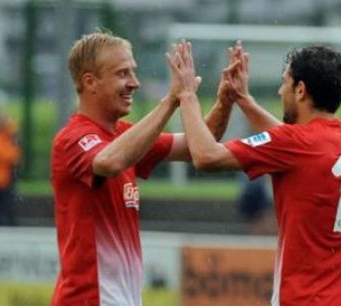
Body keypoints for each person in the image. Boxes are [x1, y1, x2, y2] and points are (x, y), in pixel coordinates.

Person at [171, 41, 341, 305]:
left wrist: (186, 95)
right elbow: (295, 146)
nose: (280, 92)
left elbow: (205, 156)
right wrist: (243, 100)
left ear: (300, 90)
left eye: (284, 83)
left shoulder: (294, 145)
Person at [51, 31, 237, 306]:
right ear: (90, 82)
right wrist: (171, 100)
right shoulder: (73, 139)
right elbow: (108, 161)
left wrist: (225, 100)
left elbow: (197, 144)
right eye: (122, 74)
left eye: (133, 72)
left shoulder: (125, 137)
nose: (134, 83)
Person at [0, 112, 21, 226]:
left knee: (6, 203)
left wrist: (0, 156)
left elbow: (13, 157)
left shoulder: (11, 139)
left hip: (6, 179)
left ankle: (9, 223)